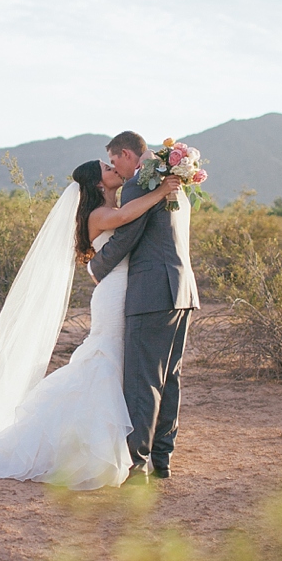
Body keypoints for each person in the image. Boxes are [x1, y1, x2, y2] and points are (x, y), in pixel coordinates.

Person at [0, 159, 182, 490]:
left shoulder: (112, 202)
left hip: (128, 289)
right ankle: (97, 446)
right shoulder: (98, 214)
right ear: (98, 185)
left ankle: (119, 445)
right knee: (106, 356)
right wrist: (162, 191)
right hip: (114, 294)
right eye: (108, 169)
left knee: (117, 360)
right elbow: (125, 218)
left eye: (114, 164)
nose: (115, 169)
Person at [88, 131, 199, 482]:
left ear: (125, 154)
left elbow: (128, 236)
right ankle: (162, 460)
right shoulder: (178, 188)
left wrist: (97, 266)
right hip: (183, 291)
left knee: (142, 380)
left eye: (114, 160)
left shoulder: (142, 186)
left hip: (151, 293)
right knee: (170, 379)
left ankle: (137, 465)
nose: (117, 171)